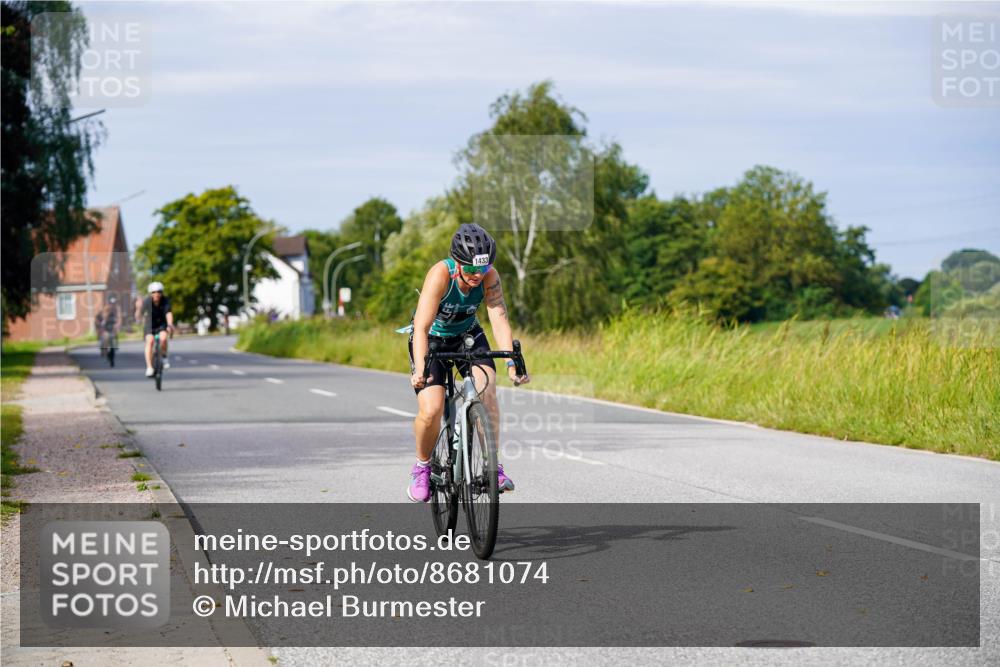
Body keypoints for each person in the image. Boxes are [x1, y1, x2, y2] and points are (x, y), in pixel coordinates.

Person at [406, 223, 530, 503]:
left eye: (482, 269)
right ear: (458, 262)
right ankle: (422, 467)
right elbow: (421, 327)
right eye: (471, 269)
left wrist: (512, 362)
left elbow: (499, 318)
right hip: (433, 339)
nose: (477, 275)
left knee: (487, 390)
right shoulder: (441, 274)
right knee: (432, 408)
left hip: (468, 335)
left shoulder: (489, 276)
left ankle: (492, 467)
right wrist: (422, 370)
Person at [136, 282, 174, 377]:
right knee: (150, 341)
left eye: (159, 292)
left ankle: (164, 356)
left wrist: (170, 324)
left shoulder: (165, 300)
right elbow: (139, 315)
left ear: (162, 293)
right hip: (150, 324)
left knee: (163, 338)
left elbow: (168, 313)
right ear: (151, 293)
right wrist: (138, 308)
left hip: (162, 324)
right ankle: (149, 367)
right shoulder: (147, 301)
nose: (156, 294)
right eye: (154, 292)